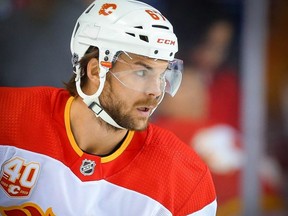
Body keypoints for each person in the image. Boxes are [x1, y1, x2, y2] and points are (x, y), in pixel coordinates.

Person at [0, 0, 217, 215]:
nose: (156, 91)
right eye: (142, 72)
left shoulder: (185, 180)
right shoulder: (8, 114)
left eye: (161, 75)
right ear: (95, 71)